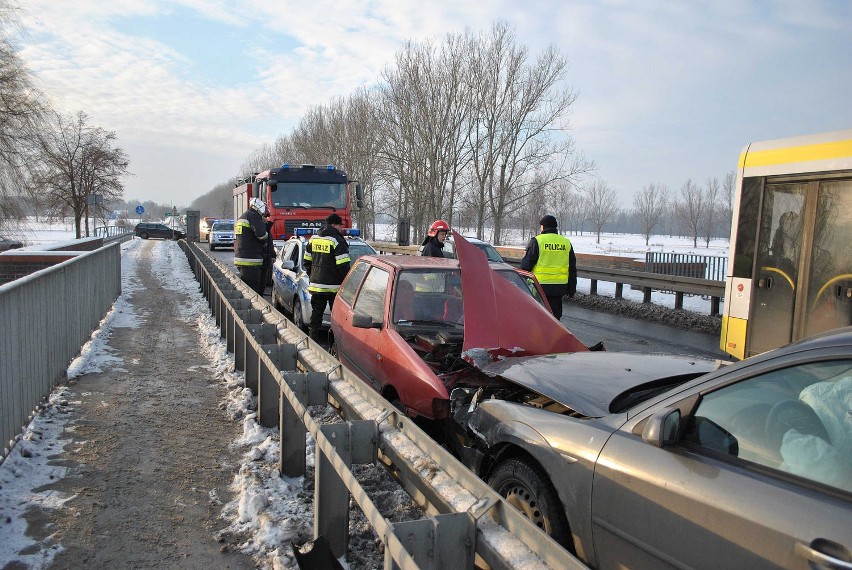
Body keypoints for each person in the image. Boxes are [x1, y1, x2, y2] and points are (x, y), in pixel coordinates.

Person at [303, 213, 351, 341]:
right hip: (333, 286)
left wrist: (313, 275)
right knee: (336, 313)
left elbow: (306, 261)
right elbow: (343, 265)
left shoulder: (313, 239)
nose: (341, 228)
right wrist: (348, 280)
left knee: (317, 311)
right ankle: (335, 339)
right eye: (340, 225)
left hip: (316, 284)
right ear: (334, 225)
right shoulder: (337, 240)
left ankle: (313, 337)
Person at [520, 214, 576, 321]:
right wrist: (571, 288)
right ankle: (554, 334)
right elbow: (572, 268)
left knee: (538, 315)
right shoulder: (565, 243)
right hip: (559, 287)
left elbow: (526, 266)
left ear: (543, 227)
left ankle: (538, 335)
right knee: (555, 316)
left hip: (539, 286)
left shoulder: (538, 241)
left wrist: (521, 283)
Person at [234, 197, 269, 295]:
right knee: (253, 293)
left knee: (246, 290)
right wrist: (266, 237)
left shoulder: (244, 216)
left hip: (241, 258)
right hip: (251, 260)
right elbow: (262, 235)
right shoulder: (254, 216)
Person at [260, 209, 275, 291]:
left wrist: (273, 256)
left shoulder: (267, 228)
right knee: (259, 282)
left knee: (263, 282)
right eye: (265, 216)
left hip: (266, 259)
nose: (266, 218)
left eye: (267, 216)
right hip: (260, 259)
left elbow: (270, 244)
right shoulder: (260, 228)